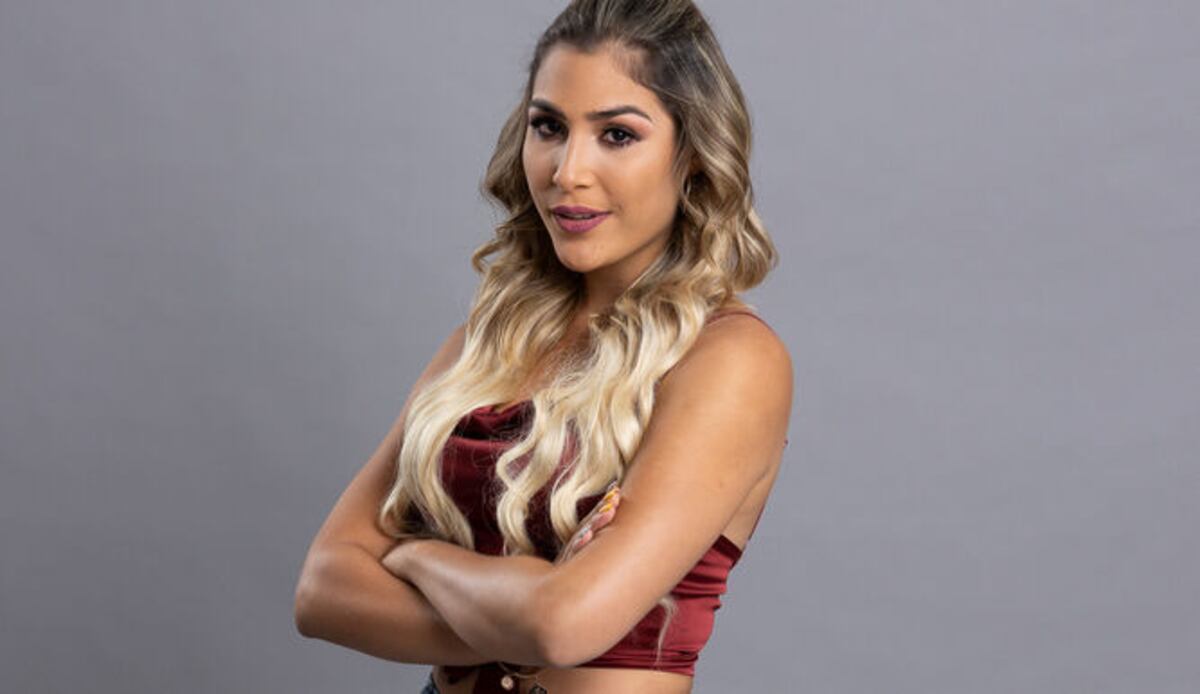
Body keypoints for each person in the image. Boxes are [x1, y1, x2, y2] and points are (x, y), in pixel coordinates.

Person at [294, 1, 792, 691]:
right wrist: (519, 613)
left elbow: (565, 626)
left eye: (617, 135)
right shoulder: (485, 345)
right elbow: (322, 589)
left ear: (694, 155)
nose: (567, 170)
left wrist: (415, 559)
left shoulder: (731, 359)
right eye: (549, 127)